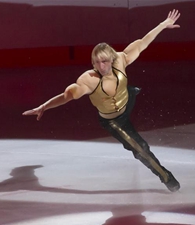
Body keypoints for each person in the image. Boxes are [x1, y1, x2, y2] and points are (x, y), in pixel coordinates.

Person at [23, 10, 181, 192]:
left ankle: (131, 92)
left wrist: (163, 24)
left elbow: (142, 43)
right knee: (140, 147)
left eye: (104, 61)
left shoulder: (121, 60)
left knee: (129, 91)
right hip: (113, 119)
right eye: (96, 62)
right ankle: (166, 177)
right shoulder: (89, 80)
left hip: (126, 100)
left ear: (112, 59)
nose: (101, 66)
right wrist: (44, 106)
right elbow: (66, 96)